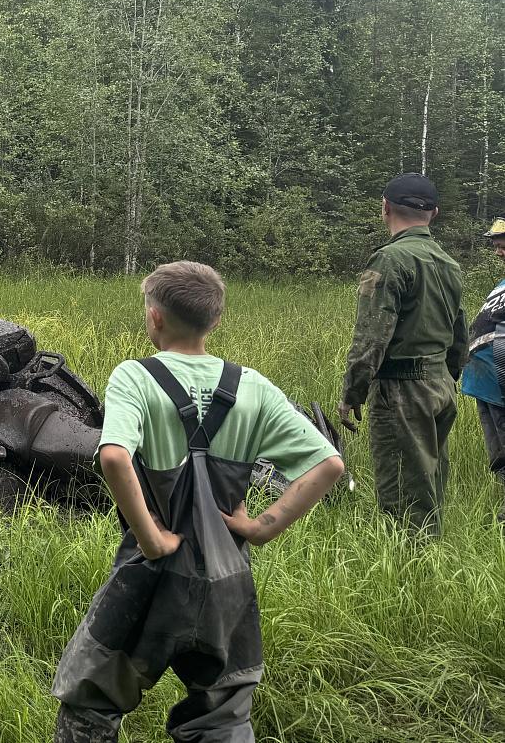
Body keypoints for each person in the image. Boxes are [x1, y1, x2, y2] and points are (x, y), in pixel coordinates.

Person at [52, 261, 344, 743]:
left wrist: (151, 540)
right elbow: (329, 464)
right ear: (216, 321)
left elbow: (115, 457)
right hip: (226, 581)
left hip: (151, 576)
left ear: (154, 317)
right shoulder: (252, 386)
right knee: (223, 714)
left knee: (91, 698)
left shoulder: (135, 377)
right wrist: (262, 528)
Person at [339, 172, 468, 536]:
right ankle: (430, 558)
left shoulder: (389, 260)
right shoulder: (449, 263)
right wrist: (446, 378)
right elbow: (460, 333)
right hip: (441, 385)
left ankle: (410, 565)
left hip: (403, 389)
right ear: (434, 213)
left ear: (385, 208)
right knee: (430, 485)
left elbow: (371, 336)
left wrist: (353, 391)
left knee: (403, 496)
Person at [462, 217, 505, 531]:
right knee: (498, 453)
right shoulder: (501, 285)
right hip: (485, 383)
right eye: (497, 246)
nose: (499, 252)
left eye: (503, 246)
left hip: (501, 382)